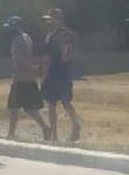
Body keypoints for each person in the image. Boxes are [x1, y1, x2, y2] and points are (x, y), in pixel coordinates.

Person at [4, 17, 50, 140]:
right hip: (26, 78)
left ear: (15, 26)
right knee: (24, 108)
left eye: (10, 26)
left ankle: (12, 134)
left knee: (18, 107)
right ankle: (44, 128)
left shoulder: (18, 40)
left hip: (21, 78)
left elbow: (21, 58)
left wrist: (30, 68)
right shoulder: (26, 37)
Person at [40, 8, 81, 143]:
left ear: (56, 19)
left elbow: (47, 58)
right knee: (66, 101)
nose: (48, 22)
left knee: (51, 104)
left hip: (53, 72)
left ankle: (54, 135)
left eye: (50, 19)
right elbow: (68, 55)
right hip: (65, 72)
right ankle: (75, 123)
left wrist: (44, 76)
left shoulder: (51, 36)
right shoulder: (69, 35)